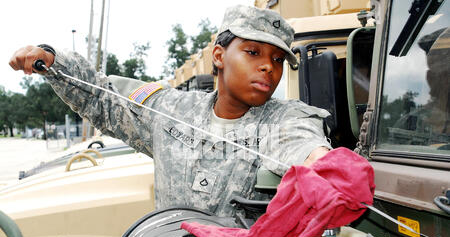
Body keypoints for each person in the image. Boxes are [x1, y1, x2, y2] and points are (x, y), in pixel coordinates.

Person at [9, 5, 331, 217]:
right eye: (253, 51)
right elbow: (102, 99)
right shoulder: (172, 109)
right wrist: (53, 63)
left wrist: (329, 168)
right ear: (219, 56)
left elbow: (305, 146)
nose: (267, 66)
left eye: (278, 59)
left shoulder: (286, 118)